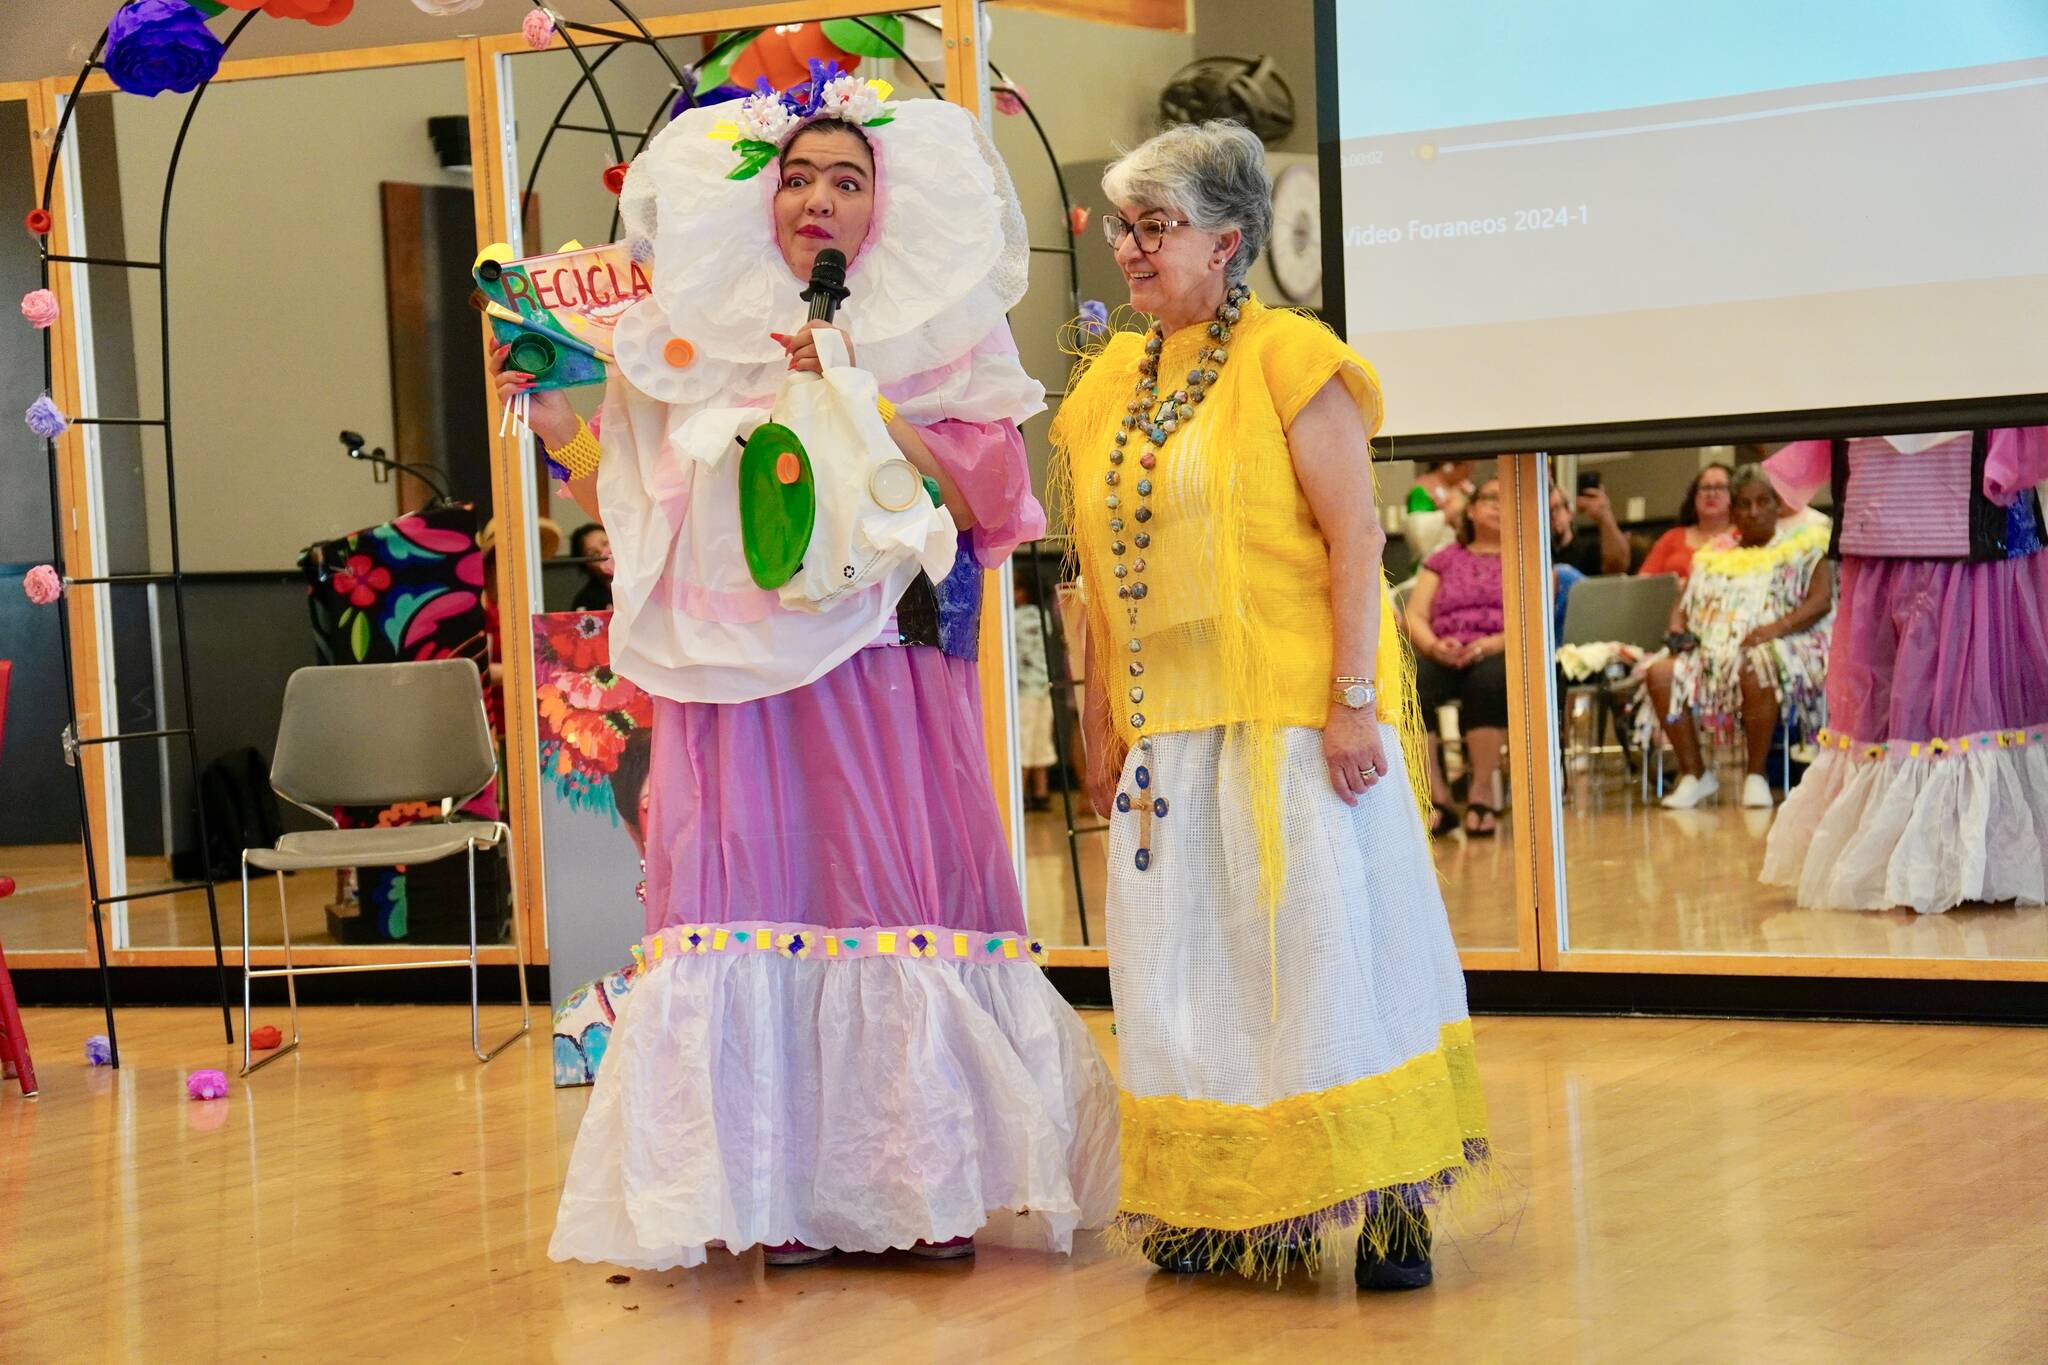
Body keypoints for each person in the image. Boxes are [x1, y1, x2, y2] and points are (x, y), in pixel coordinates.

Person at [502, 74, 1118, 1271]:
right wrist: (560, 417)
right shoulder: (695, 336)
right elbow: (637, 505)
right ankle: (775, 1187)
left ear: (886, 208)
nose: (818, 200)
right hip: (734, 681)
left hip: (877, 661)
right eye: (798, 179)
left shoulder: (936, 335)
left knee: (886, 894)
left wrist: (857, 390)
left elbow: (994, 493)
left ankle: (921, 1187)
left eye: (848, 181)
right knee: (755, 897)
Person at [1053, 120, 1491, 1290]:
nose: (1133, 251)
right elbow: (1094, 579)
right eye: (1125, 228)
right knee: (1188, 974)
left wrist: (1354, 701)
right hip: (1169, 731)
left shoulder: (1292, 359)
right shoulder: (1103, 389)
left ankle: (1390, 1201)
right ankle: (1216, 1204)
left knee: (1326, 958)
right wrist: (1101, 722)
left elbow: (1356, 540)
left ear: (1228, 239)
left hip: (1293, 721)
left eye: (1159, 228)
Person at [1762, 428, 2048, 913]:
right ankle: (1922, 859)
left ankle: (1967, 860)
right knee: (1903, 697)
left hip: (1969, 509)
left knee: (1963, 694)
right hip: (1885, 508)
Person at [1645, 465, 1833, 810]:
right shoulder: (1711, 556)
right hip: (1714, 651)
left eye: (1763, 502)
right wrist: (1679, 633)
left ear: (1778, 506)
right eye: (1744, 504)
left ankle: (1756, 774)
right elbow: (1683, 605)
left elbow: (1820, 602)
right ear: (1733, 511)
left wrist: (1770, 631)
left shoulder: (1806, 546)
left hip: (1788, 645)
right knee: (1660, 673)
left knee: (1755, 664)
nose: (1754, 512)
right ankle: (1694, 774)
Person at [1406, 479, 1509, 837]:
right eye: (1490, 498)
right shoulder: (1444, 560)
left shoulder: (1524, 558)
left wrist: (1491, 644)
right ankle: (1437, 796)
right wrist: (1434, 647)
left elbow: (1533, 619)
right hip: (1445, 650)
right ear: (1472, 509)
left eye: (1506, 499)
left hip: (1498, 650)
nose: (1498, 506)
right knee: (1413, 683)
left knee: (1489, 680)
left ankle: (1480, 793)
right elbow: (1415, 615)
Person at [1637, 462, 1733, 582]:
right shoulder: (1671, 537)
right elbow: (1643, 583)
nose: (1711, 494)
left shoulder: (1744, 535)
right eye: (1705, 488)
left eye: (1719, 487)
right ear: (1694, 496)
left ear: (1733, 495)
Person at [1012, 578, 1057, 812]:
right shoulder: (1045, 617)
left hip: (1023, 688)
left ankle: (1019, 795)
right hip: (1043, 686)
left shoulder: (1015, 618)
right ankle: (1042, 792)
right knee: (1042, 741)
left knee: (1023, 741)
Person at [1402, 459, 1474, 564]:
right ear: (1449, 466)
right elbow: (1419, 531)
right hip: (1432, 560)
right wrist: (1450, 511)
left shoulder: (1465, 488)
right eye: (1467, 467)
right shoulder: (1421, 490)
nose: (1469, 472)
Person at [1551, 478, 1629, 576]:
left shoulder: (1588, 550)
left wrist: (1604, 516)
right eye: (1547, 511)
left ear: (1569, 512)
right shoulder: (1541, 555)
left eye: (1556, 508)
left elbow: (1617, 566)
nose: (1552, 516)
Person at [567, 522, 614, 611]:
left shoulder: (642, 578)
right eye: (593, 554)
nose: (604, 553)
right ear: (586, 565)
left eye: (605, 543)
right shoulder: (586, 601)